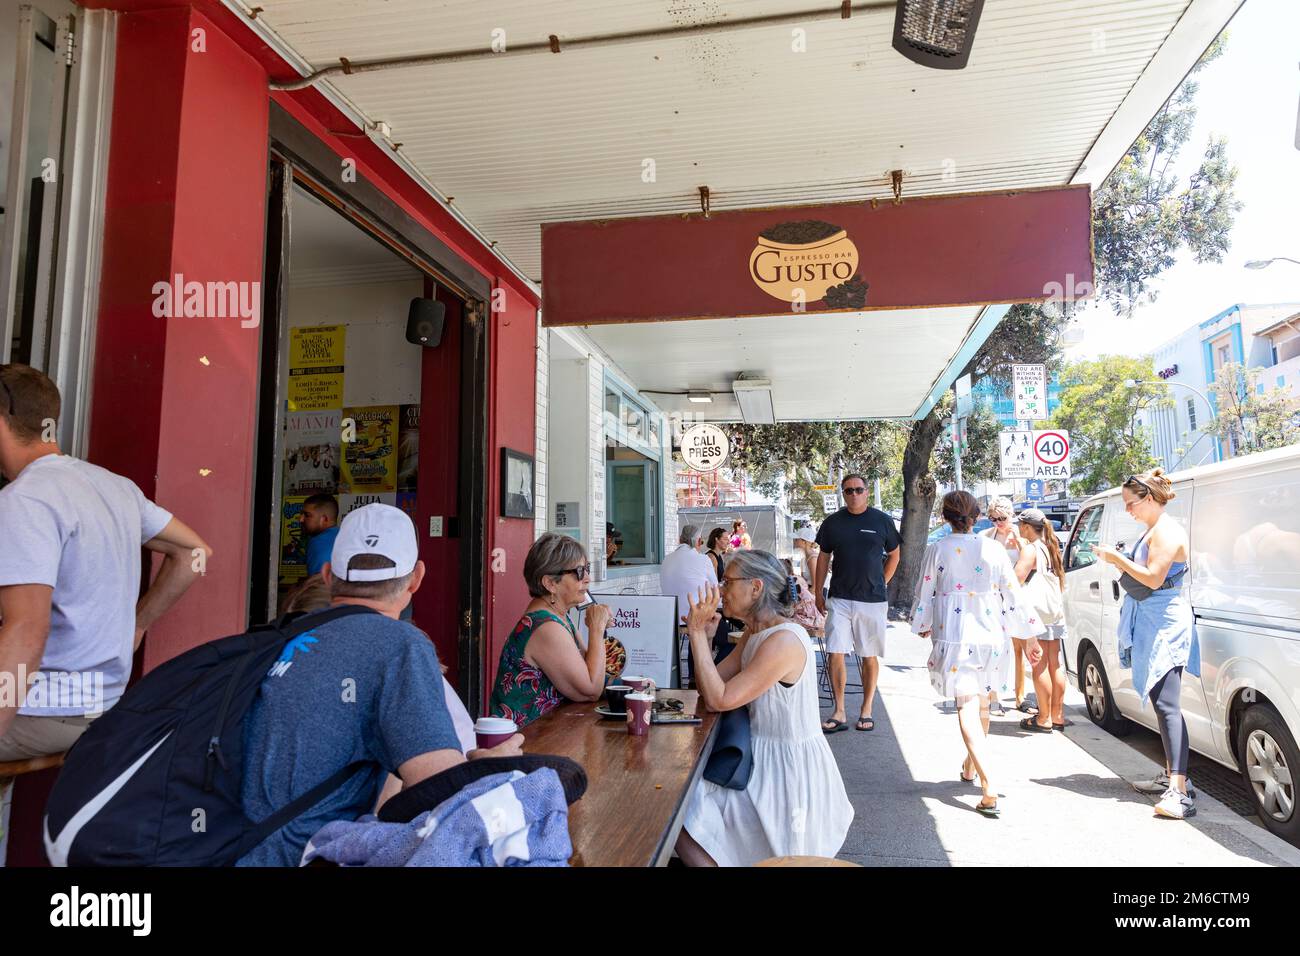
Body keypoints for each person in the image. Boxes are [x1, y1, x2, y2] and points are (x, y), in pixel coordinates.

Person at [237, 503, 523, 866]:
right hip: (304, 856)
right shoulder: (400, 644)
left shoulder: (273, 638)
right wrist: (492, 767)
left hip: (232, 850)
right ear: (417, 578)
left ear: (327, 576)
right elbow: (443, 795)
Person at [0, 363, 211, 762]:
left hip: (47, 711)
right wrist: (140, 622)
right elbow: (195, 552)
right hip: (103, 705)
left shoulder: (24, 499)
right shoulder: (114, 486)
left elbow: (27, 631)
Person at [677, 550, 854, 865]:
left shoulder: (783, 641)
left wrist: (695, 633)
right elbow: (711, 686)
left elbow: (719, 698)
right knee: (682, 813)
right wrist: (702, 637)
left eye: (727, 581)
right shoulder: (755, 633)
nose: (720, 589)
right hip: (760, 759)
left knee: (687, 814)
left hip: (785, 770)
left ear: (755, 587)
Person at [912, 491, 1044, 818]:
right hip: (991, 635)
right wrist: (1029, 637)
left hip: (957, 636)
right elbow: (1012, 592)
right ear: (976, 516)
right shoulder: (994, 549)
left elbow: (925, 590)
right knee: (983, 702)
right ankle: (970, 765)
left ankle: (988, 784)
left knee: (967, 706)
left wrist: (922, 622)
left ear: (945, 516)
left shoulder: (937, 549)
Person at [1096, 470, 1200, 820]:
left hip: (1165, 623)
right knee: (1161, 704)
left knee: (1167, 705)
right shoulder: (1155, 530)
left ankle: (1180, 789)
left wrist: (1116, 559)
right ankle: (1174, 776)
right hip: (1154, 619)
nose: (1129, 511)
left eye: (1131, 504)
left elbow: (1154, 577)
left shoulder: (1168, 530)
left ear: (1151, 498)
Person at [489, 533, 613, 727]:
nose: (587, 578)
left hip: (548, 733)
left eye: (587, 569)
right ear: (550, 583)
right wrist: (596, 629)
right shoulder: (545, 627)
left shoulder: (558, 615)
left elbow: (589, 667)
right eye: (580, 572)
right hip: (523, 742)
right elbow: (590, 689)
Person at [814, 474, 901, 733]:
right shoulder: (832, 523)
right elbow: (822, 557)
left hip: (872, 600)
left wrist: (882, 582)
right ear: (843, 494)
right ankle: (839, 711)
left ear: (866, 493)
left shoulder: (882, 521)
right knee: (835, 652)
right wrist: (817, 591)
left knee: (868, 654)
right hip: (840, 597)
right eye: (848, 491)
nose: (853, 494)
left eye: (858, 490)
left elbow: (895, 554)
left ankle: (866, 709)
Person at [1014, 509, 1070, 733]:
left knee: (1039, 664)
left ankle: (1044, 717)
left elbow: (1014, 581)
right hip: (1053, 612)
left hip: (1036, 613)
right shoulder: (1051, 545)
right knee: (1054, 663)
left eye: (1020, 525)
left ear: (1027, 526)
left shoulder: (1030, 549)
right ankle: (1057, 715)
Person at [981, 497, 1030, 713]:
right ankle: (994, 695)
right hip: (994, 598)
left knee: (1019, 648)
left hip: (1017, 595)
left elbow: (1030, 563)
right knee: (996, 647)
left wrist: (1020, 543)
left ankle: (1020, 696)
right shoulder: (986, 537)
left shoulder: (1022, 535)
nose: (998, 522)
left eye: (1002, 518)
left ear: (1011, 515)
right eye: (993, 518)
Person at [302, 493, 341, 577]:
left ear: (324, 519)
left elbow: (318, 586)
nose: (301, 519)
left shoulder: (319, 542)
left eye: (307, 515)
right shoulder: (343, 535)